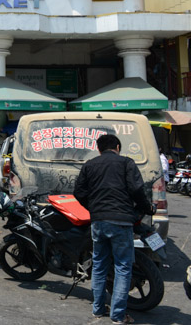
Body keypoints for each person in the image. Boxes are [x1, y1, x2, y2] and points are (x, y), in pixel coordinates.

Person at [74, 134, 155, 325]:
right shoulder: (127, 163)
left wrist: (94, 208)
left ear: (99, 149)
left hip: (98, 222)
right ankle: (118, 315)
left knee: (100, 265)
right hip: (121, 222)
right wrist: (147, 208)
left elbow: (79, 192)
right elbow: (137, 190)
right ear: (117, 147)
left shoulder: (90, 165)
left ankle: (98, 308)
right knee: (123, 267)